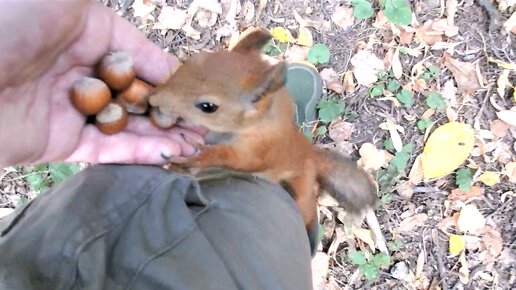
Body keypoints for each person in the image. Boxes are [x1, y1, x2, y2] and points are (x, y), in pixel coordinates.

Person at [0, 2, 316, 289]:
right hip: (226, 270)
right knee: (263, 210)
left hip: (39, 243)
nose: (156, 98)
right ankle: (286, 196)